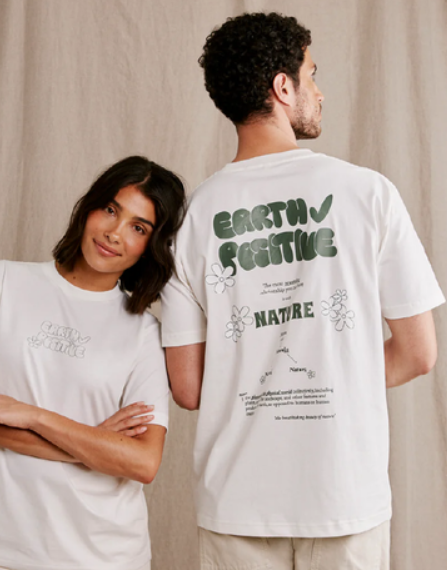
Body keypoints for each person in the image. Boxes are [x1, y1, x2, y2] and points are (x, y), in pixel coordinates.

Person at [160, 12, 445, 570]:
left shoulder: (189, 219)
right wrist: (337, 379)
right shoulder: (368, 194)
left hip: (237, 501)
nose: (319, 91)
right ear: (282, 87)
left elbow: (188, 388)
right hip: (344, 495)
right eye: (312, 74)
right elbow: (419, 353)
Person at [0, 155, 186, 570]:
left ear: (151, 245)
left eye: (138, 228)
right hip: (6, 553)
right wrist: (93, 446)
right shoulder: (2, 282)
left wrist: (32, 415)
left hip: (109, 557)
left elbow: (143, 463)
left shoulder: (145, 332)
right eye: (110, 209)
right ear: (88, 207)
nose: (114, 233)